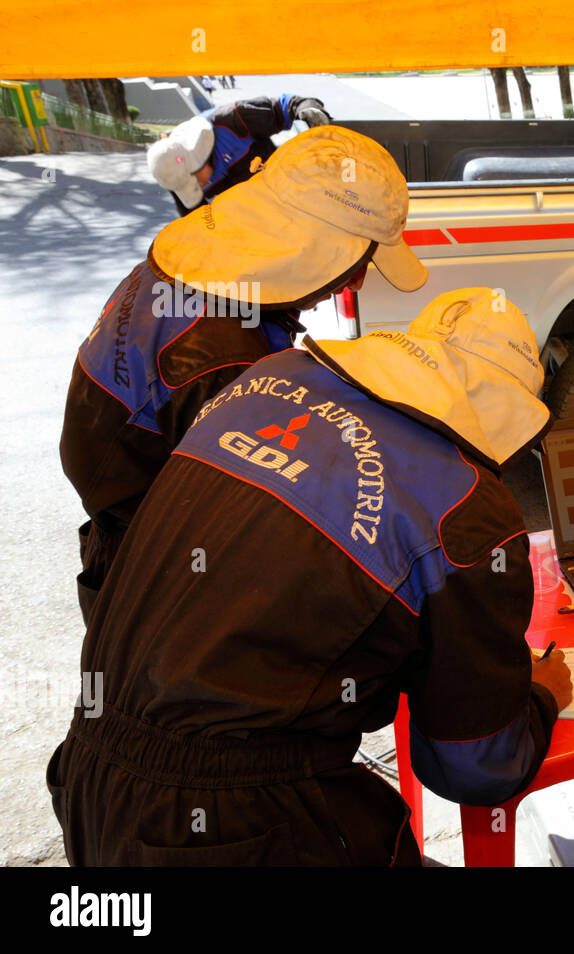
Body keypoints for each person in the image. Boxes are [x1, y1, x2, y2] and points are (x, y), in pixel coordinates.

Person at [47, 287, 572, 866]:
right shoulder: (464, 508)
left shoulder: (259, 383)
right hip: (234, 831)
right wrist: (542, 697)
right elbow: (473, 767)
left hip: (89, 771)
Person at [62, 124, 427, 623]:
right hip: (159, 577)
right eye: (358, 260)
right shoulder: (223, 359)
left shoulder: (196, 269)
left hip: (125, 530)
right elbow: (252, 529)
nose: (358, 281)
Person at [147, 94, 332, 215]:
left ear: (198, 159)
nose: (198, 187)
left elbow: (287, 106)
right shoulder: (175, 175)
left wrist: (308, 112)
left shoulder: (230, 121)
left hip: (290, 185)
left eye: (195, 181)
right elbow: (197, 222)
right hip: (254, 217)